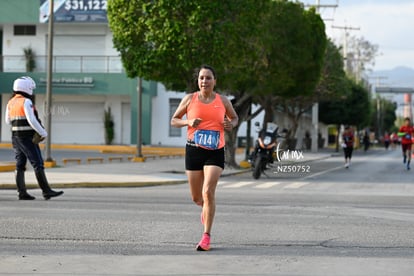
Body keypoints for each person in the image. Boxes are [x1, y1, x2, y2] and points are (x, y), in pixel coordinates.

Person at [171, 65, 238, 251]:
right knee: (196, 197)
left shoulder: (222, 101)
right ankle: (204, 208)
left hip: (215, 151)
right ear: (197, 80)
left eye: (208, 78)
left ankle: (206, 236)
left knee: (208, 192)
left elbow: (234, 118)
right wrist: (188, 122)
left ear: (214, 81)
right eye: (201, 78)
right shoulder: (189, 99)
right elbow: (174, 120)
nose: (204, 81)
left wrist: (230, 124)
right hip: (194, 150)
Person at [5, 76, 64, 200]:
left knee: (20, 164)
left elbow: (7, 121)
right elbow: (32, 120)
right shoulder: (26, 101)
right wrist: (43, 133)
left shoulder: (10, 102)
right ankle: (46, 191)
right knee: (38, 163)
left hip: (15, 137)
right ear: (25, 88)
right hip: (27, 138)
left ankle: (21, 192)